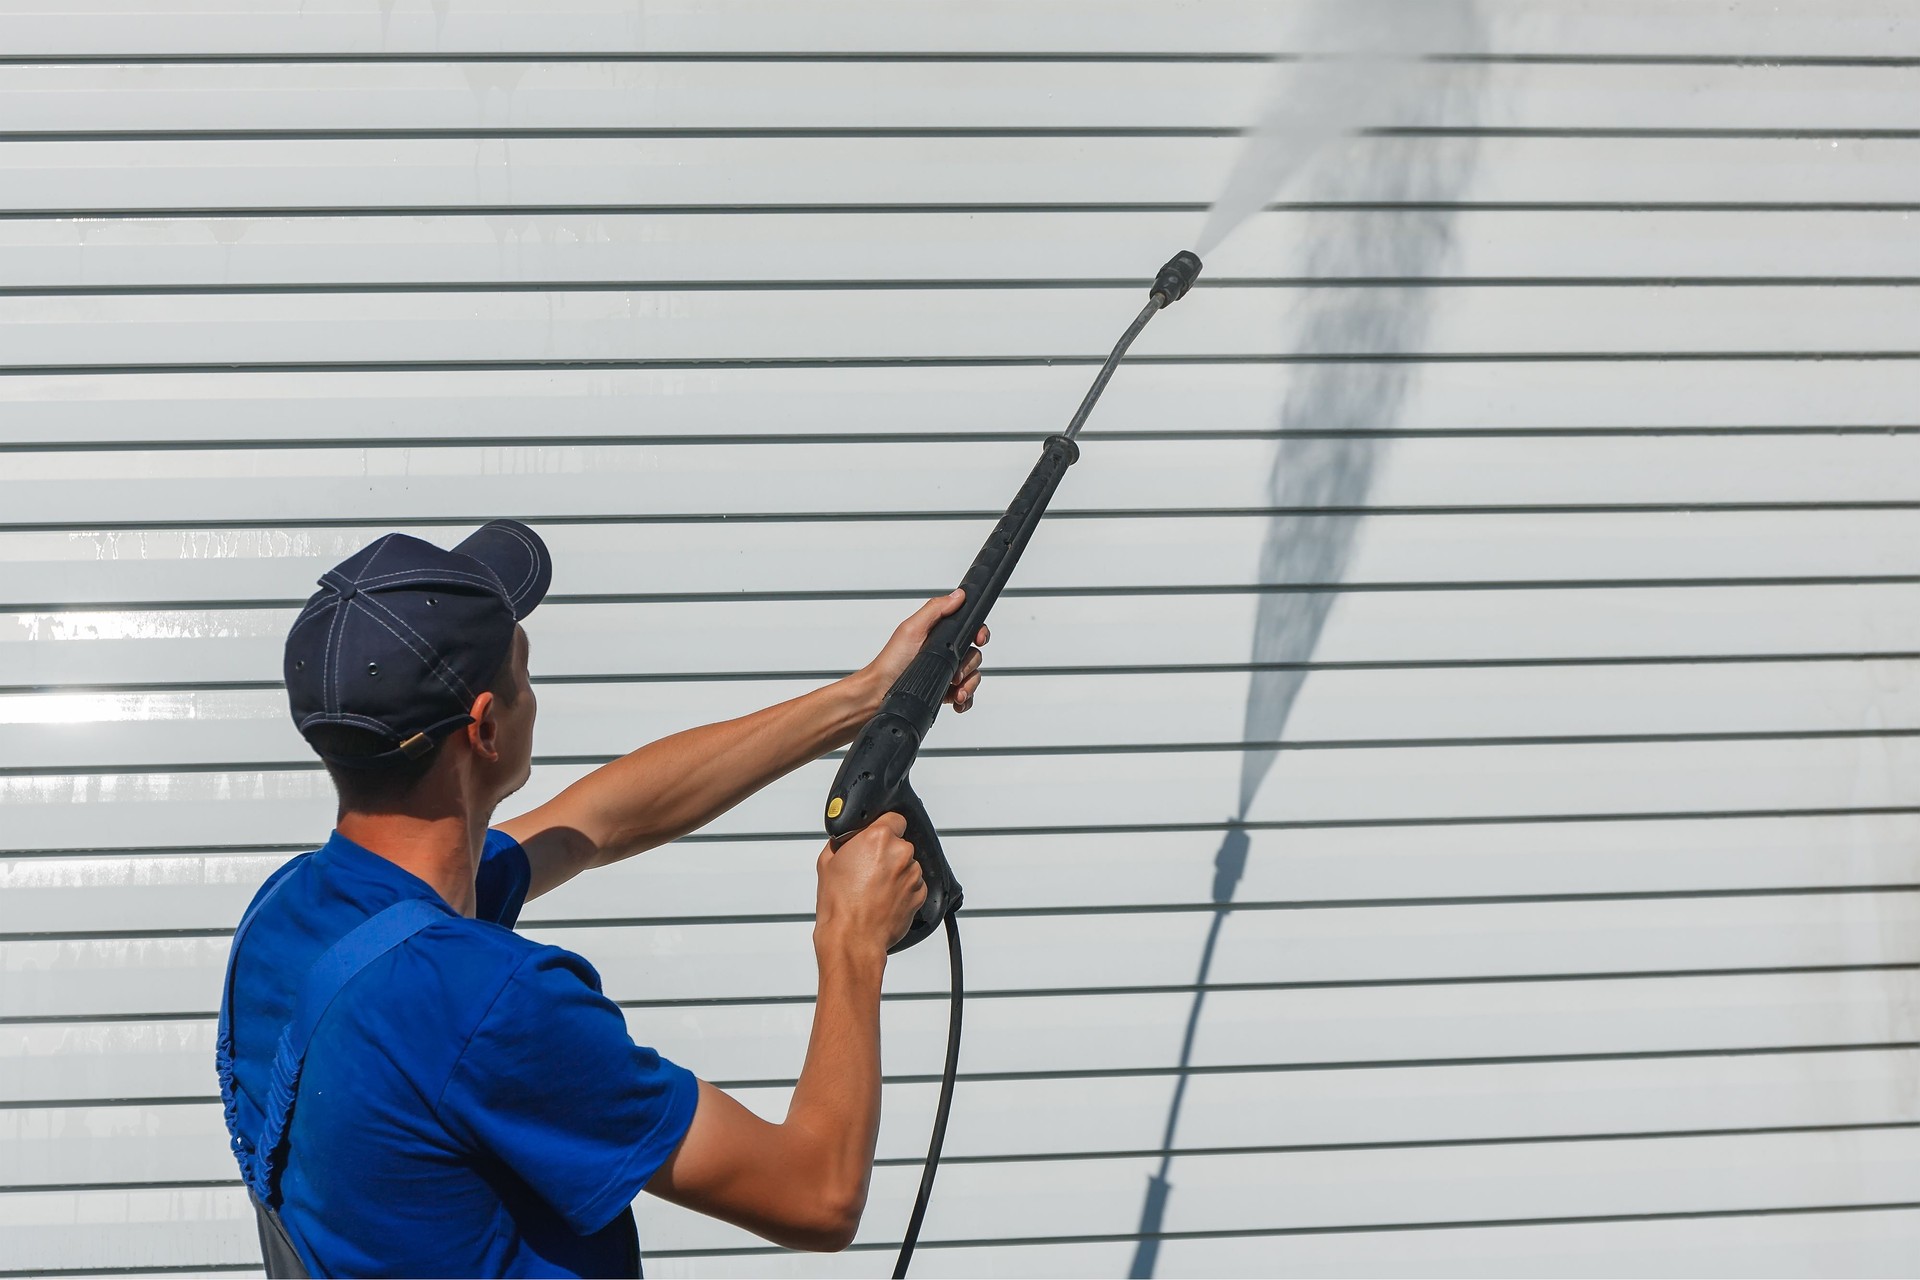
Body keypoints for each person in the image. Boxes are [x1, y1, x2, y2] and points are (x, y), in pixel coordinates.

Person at [216, 519, 987, 1278]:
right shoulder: (492, 1006)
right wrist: (852, 938)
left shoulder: (291, 916)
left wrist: (865, 697)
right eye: (524, 672)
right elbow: (816, 1195)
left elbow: (598, 819)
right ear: (485, 730)